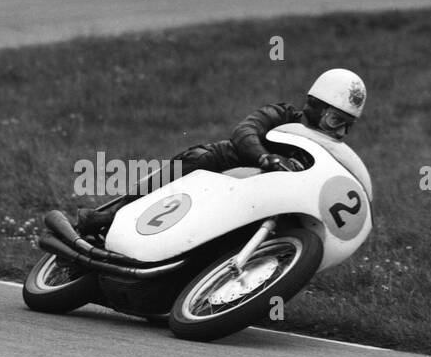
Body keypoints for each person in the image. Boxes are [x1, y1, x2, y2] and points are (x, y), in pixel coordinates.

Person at [73, 69, 367, 238]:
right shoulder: (280, 115)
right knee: (197, 159)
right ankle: (112, 216)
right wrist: (265, 157)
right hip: (223, 171)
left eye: (347, 126)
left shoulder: (328, 153)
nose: (340, 132)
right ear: (315, 107)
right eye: (335, 120)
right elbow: (244, 131)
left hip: (260, 202)